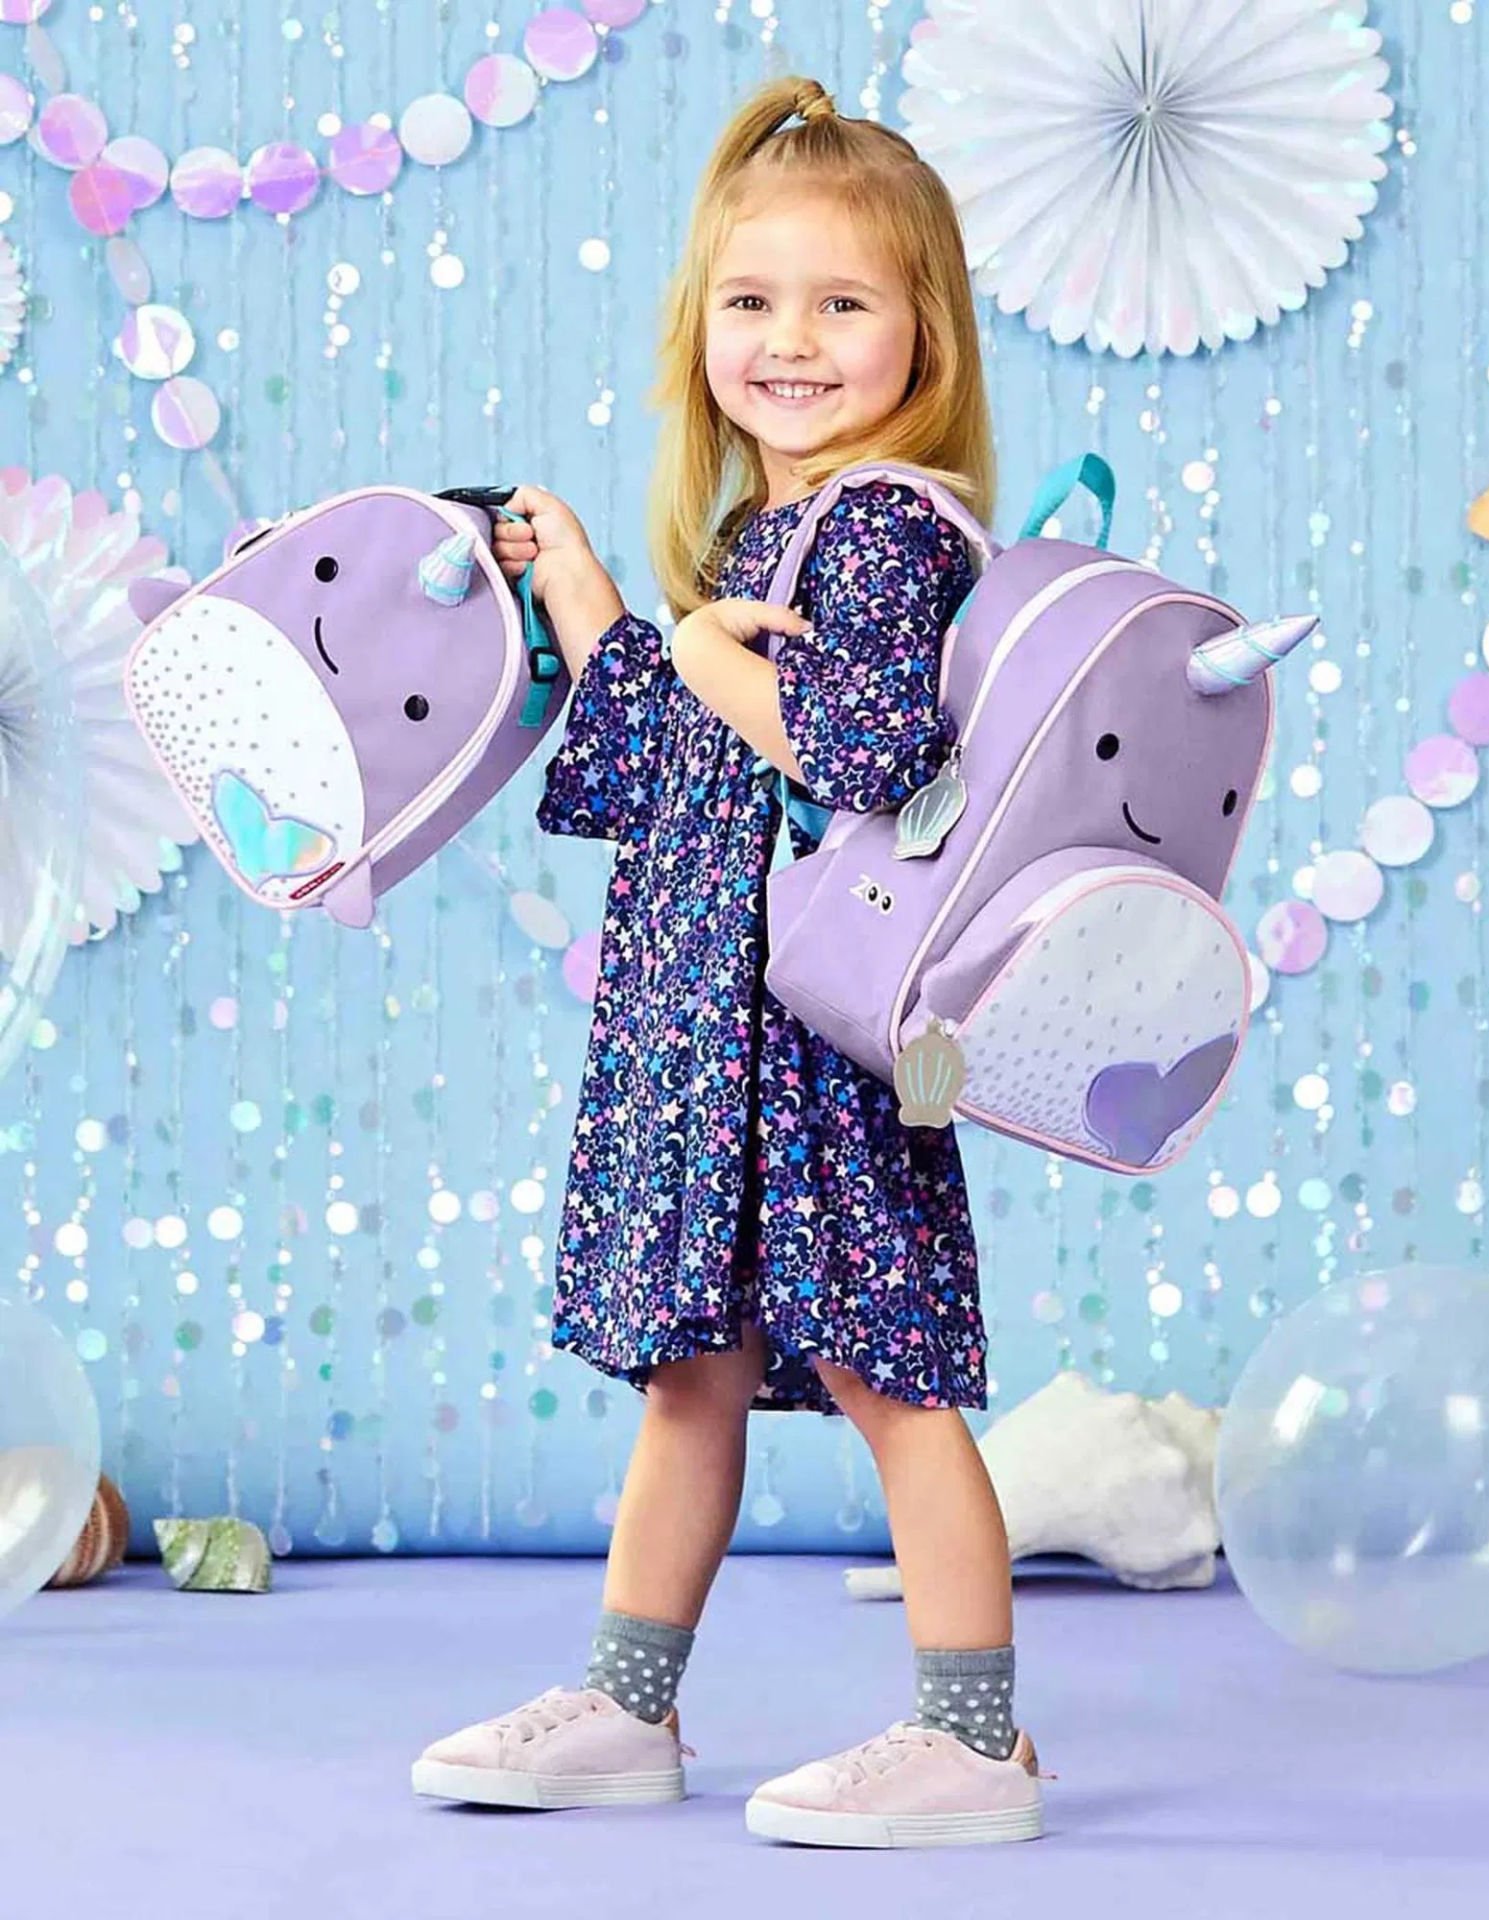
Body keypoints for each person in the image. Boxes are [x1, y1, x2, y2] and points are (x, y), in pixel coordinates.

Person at [412, 73, 1048, 1850]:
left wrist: (703, 655)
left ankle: (977, 1739)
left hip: (817, 1049)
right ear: (701, 327)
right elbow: (653, 763)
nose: (791, 341)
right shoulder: (767, 539)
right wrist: (595, 592)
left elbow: (860, 755)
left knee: (890, 1378)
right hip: (709, 1043)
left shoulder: (891, 527)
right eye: (753, 300)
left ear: (925, 337)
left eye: (844, 303)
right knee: (690, 1377)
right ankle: (629, 1707)